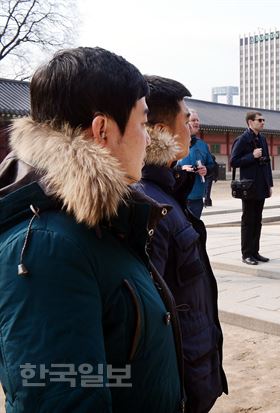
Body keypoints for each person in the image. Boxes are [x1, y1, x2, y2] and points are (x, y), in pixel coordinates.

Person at [0, 47, 183, 412]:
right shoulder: (47, 247)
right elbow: (58, 395)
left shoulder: (98, 220)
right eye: (143, 124)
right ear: (102, 129)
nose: (148, 140)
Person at [135, 75, 228, 412]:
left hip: (195, 363)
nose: (192, 128)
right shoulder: (148, 204)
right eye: (185, 120)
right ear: (159, 130)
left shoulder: (168, 191)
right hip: (180, 377)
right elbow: (149, 318)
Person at [230, 111, 274, 265]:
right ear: (250, 122)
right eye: (259, 120)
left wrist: (269, 184)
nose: (262, 122)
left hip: (261, 185)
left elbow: (267, 163)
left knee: (258, 220)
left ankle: (255, 251)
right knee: (248, 220)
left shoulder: (262, 138)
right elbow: (233, 161)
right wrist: (252, 156)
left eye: (263, 120)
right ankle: (247, 254)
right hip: (248, 186)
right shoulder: (242, 139)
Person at [177, 110, 217, 218]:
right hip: (179, 195)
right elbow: (164, 166)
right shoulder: (174, 142)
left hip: (197, 196)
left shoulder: (202, 145)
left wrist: (206, 170)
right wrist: (180, 168)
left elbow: (212, 165)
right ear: (185, 122)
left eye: (197, 120)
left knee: (195, 229)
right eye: (193, 120)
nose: (196, 122)